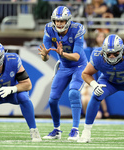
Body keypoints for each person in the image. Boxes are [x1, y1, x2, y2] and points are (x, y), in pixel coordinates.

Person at [77, 34, 124, 143]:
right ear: (103, 51)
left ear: (121, 51)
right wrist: (94, 85)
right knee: (96, 96)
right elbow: (85, 73)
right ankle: (86, 132)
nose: (112, 56)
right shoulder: (97, 55)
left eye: (115, 53)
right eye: (109, 53)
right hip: (109, 81)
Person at [38, 6, 88, 141]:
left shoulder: (77, 29)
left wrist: (62, 53)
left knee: (73, 93)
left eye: (62, 21)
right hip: (64, 67)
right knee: (52, 100)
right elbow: (46, 58)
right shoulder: (49, 29)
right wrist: (44, 56)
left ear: (68, 21)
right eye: (57, 21)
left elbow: (77, 56)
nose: (59, 23)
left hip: (79, 66)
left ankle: (75, 130)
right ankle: (56, 130)